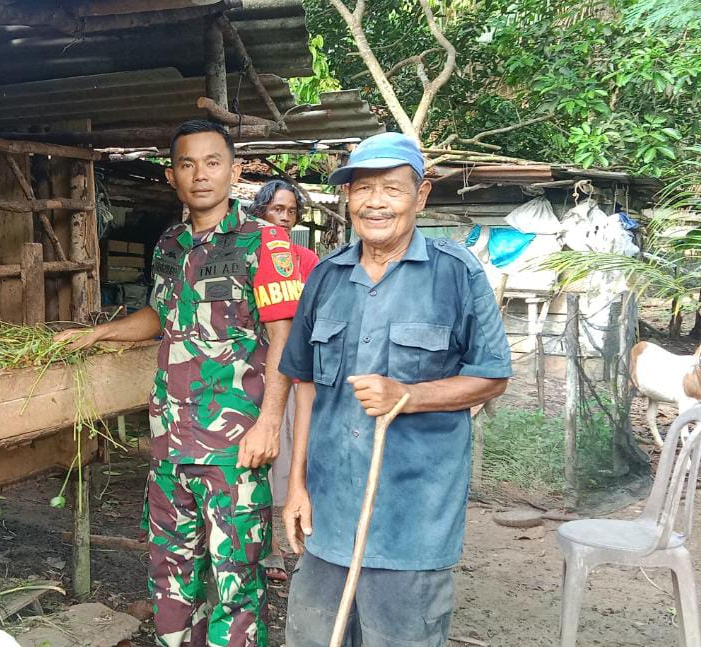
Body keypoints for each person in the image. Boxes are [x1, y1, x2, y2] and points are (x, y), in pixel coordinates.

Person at [56, 120, 304, 647]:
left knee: (237, 585)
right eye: (187, 164)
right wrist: (100, 334)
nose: (200, 175)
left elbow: (286, 339)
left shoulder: (265, 242)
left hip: (234, 448)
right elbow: (159, 314)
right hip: (170, 445)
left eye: (213, 162)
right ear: (172, 176)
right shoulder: (170, 243)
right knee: (170, 580)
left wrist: (269, 424)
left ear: (235, 171)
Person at [277, 132, 512, 647]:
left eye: (391, 188)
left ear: (421, 196)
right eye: (362, 189)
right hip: (330, 515)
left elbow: (493, 374)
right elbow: (305, 384)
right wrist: (296, 486)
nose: (375, 202)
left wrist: (408, 395)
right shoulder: (326, 276)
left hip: (413, 519)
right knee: (313, 638)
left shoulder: (456, 274)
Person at [247, 179, 320, 583]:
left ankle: (291, 532)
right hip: (252, 367)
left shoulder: (306, 259)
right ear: (261, 211)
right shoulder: (249, 250)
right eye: (277, 209)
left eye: (291, 211)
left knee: (290, 451)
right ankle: (268, 545)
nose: (284, 217)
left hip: (294, 369)